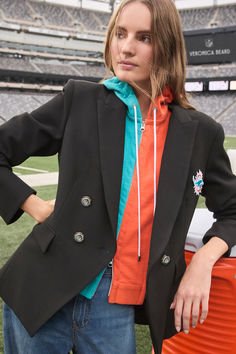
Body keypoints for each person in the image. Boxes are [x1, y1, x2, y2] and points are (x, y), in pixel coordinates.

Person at [0, 0, 235, 353]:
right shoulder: (79, 100)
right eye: (120, 34)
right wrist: (34, 206)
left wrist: (203, 260)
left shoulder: (201, 132)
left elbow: (232, 209)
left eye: (145, 37)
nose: (126, 47)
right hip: (44, 286)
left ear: (167, 46)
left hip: (118, 302)